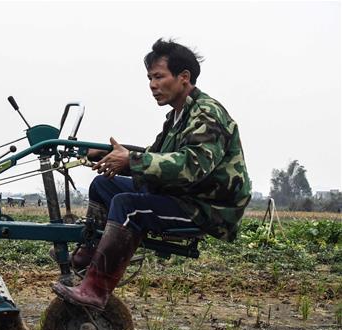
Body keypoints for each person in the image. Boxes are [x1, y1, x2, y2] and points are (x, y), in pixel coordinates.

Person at [52, 38, 250, 310]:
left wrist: (131, 160)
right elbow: (154, 154)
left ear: (184, 77)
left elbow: (191, 167)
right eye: (149, 78)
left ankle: (95, 290)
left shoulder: (207, 114)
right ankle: (89, 252)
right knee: (102, 185)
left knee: (128, 206)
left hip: (207, 207)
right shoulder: (177, 115)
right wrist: (105, 153)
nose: (152, 85)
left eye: (159, 76)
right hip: (181, 195)